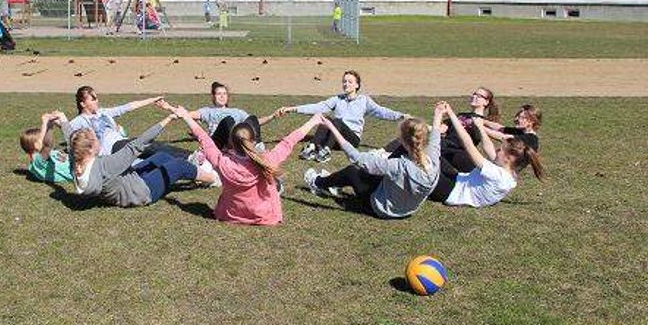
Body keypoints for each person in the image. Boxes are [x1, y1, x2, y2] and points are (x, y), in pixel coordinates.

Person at [166, 101, 324, 225]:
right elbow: (288, 142)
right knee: (274, 184)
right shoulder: (266, 160)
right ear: (254, 141)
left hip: (229, 215)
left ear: (230, 143)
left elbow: (204, 139)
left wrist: (186, 116)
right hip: (265, 217)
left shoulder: (223, 162)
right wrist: (313, 122)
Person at [303, 104, 444, 220]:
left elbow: (356, 158)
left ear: (404, 140)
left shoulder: (399, 166)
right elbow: (436, 135)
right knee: (370, 171)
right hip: (407, 209)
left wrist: (332, 128)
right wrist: (438, 114)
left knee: (352, 171)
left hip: (382, 209)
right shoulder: (433, 159)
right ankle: (335, 182)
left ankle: (317, 182)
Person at [67, 113, 215, 207]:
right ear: (90, 149)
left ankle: (195, 173)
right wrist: (167, 119)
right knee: (179, 166)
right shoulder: (105, 165)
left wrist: (62, 122)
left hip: (126, 185)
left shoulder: (75, 164)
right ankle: (213, 179)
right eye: (96, 139)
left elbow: (72, 142)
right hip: (141, 193)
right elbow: (137, 145)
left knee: (161, 157)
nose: (99, 140)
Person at [428, 103, 544, 207]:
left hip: (451, 191)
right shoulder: (508, 174)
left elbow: (468, 144)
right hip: (458, 179)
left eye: (500, 150)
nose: (497, 150)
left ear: (508, 158)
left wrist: (448, 115)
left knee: (425, 156)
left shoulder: (497, 175)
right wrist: (480, 126)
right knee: (432, 155)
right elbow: (488, 146)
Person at [277, 70, 407, 163]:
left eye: (350, 82)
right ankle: (312, 147)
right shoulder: (337, 99)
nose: (346, 84)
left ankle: (326, 151)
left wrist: (401, 116)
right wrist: (293, 109)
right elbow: (318, 107)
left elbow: (381, 111)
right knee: (324, 119)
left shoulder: (364, 100)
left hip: (352, 139)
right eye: (344, 81)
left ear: (357, 85)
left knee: (337, 121)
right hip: (336, 138)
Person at [68, 86, 164, 155]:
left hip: (124, 142)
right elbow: (66, 128)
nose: (97, 101)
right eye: (93, 99)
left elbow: (128, 107)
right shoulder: (80, 120)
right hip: (113, 148)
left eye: (96, 98)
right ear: (83, 104)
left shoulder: (103, 112)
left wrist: (152, 100)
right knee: (150, 147)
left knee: (155, 147)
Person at [188, 81, 278, 151]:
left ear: (227, 96)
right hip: (217, 143)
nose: (222, 96)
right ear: (213, 97)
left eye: (224, 94)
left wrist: (272, 116)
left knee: (252, 118)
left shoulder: (237, 112)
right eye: (219, 94)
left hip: (236, 141)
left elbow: (256, 123)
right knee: (228, 120)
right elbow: (189, 115)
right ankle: (236, 144)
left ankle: (259, 147)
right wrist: (178, 115)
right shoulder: (208, 111)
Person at [440, 87, 501, 179]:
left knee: (478, 177)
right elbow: (440, 130)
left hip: (461, 153)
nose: (474, 96)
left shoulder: (483, 122)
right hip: (444, 147)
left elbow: (500, 135)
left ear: (486, 102)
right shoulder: (460, 115)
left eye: (479, 96)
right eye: (474, 94)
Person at [21, 111, 73, 185]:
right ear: (35, 145)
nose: (45, 137)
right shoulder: (37, 160)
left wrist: (57, 123)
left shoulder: (50, 153)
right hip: (77, 172)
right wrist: (48, 125)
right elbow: (47, 145)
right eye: (43, 137)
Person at [477, 104, 542, 151]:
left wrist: (479, 125)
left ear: (531, 121)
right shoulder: (521, 132)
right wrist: (482, 121)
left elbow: (503, 137)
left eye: (521, 117)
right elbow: (500, 128)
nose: (516, 119)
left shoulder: (530, 139)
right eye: (517, 116)